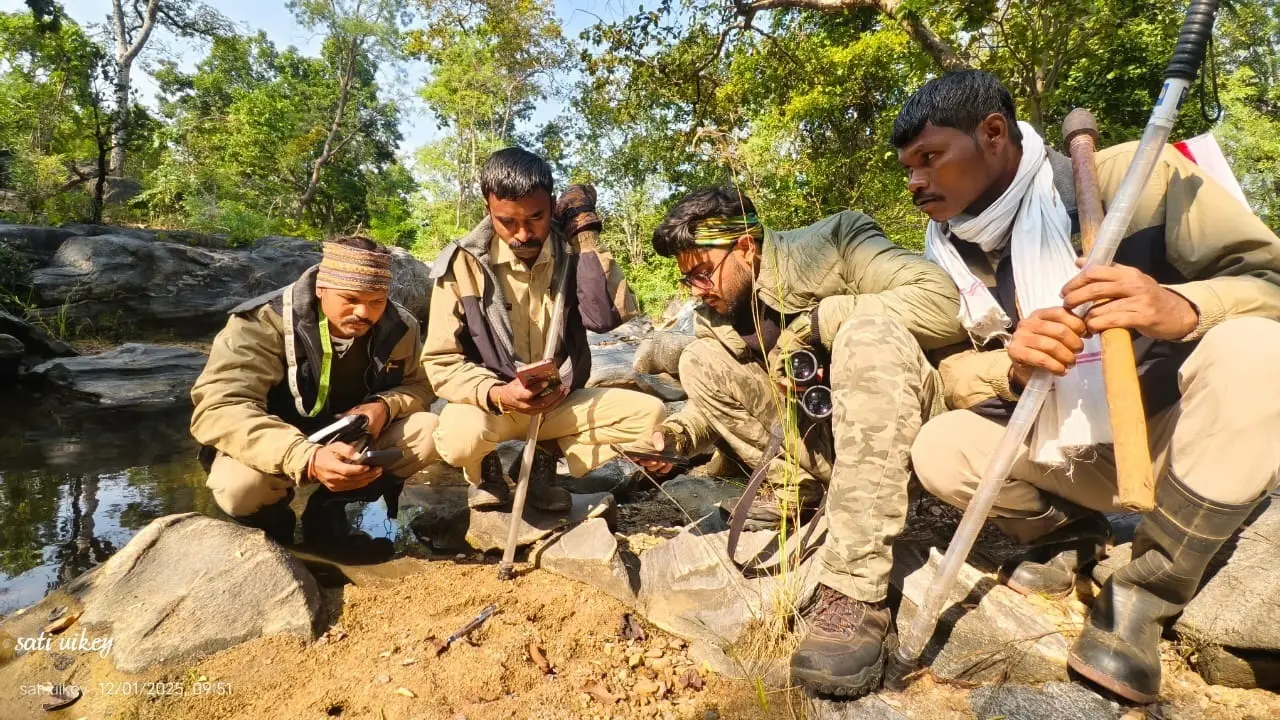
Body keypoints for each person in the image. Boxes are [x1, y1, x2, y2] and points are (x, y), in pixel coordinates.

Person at [900, 70, 1280, 703]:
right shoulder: (948, 249)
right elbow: (953, 368)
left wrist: (1182, 307)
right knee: (940, 447)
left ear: (993, 133)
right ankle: (1076, 535)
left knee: (1259, 350)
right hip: (1077, 452)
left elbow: (1269, 283)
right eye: (908, 166)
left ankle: (1143, 594)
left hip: (1187, 432)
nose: (915, 182)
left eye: (930, 158)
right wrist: (1013, 367)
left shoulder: (1134, 177)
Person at [652, 186, 966, 697]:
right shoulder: (716, 311)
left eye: (702, 271)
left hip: (907, 433)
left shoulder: (840, 241)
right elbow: (725, 396)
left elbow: (945, 305)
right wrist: (676, 435)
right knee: (697, 361)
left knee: (868, 334)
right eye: (686, 277)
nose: (695, 289)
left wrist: (823, 322)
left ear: (746, 247)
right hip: (818, 444)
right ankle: (803, 490)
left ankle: (854, 591)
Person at [423, 147, 669, 513]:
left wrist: (585, 236)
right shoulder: (463, 264)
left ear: (552, 205)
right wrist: (497, 393)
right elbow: (440, 362)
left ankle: (542, 464)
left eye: (536, 217)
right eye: (507, 221)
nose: (523, 233)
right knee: (460, 438)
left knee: (649, 416)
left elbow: (606, 317)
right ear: (488, 210)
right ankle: (486, 470)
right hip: (494, 404)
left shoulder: (571, 251)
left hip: (559, 401)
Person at [190, 236, 439, 560]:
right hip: (276, 443)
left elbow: (420, 387)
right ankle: (275, 534)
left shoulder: (400, 325)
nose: (364, 312)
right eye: (350, 299)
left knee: (429, 429)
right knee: (239, 488)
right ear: (322, 287)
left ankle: (327, 513)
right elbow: (219, 408)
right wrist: (305, 457)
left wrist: (383, 406)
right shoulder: (261, 322)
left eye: (376, 301)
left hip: (352, 439)